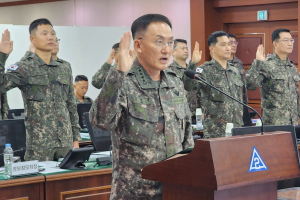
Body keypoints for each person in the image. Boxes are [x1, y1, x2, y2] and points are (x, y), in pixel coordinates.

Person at [90, 14, 194, 200]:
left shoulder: (175, 82)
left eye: (170, 43)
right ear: (138, 45)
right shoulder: (124, 81)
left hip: (174, 190)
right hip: (135, 193)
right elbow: (100, 121)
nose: (166, 50)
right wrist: (118, 73)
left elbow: (187, 137)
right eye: (159, 41)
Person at [0, 18, 81, 161]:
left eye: (53, 33)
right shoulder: (24, 67)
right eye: (44, 33)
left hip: (65, 143)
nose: (51, 37)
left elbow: (71, 105)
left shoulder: (64, 67)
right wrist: (2, 56)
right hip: (39, 147)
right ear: (33, 39)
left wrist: (76, 138)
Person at [185, 31, 244, 137]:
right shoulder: (205, 69)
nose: (228, 48)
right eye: (223, 45)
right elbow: (188, 86)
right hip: (216, 132)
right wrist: (193, 63)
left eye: (228, 44)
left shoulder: (235, 71)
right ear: (212, 49)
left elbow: (241, 99)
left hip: (237, 130)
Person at [246, 28, 299, 125]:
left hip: (293, 123)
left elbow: (295, 96)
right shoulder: (266, 64)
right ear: (275, 44)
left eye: (291, 40)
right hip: (274, 124)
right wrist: (258, 63)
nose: (290, 43)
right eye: (286, 40)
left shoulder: (292, 67)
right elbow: (250, 85)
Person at [168, 39, 202, 122]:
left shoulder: (193, 70)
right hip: (180, 116)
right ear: (173, 52)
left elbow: (199, 92)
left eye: (187, 48)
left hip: (196, 115)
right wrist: (193, 63)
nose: (186, 50)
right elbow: (186, 86)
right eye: (182, 48)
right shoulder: (169, 71)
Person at [227, 33, 248, 105]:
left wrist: (245, 103)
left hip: (240, 103)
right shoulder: (222, 63)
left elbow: (243, 85)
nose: (234, 45)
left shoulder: (239, 62)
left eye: (235, 42)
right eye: (231, 43)